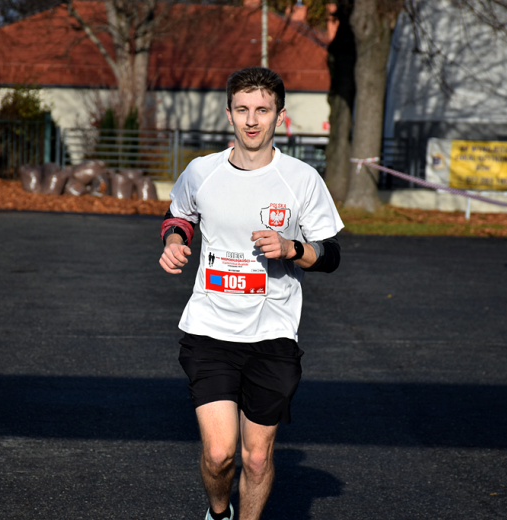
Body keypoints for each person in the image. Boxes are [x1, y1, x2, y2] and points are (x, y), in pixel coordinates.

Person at [159, 67, 343, 520]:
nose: (252, 120)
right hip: (210, 330)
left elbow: (332, 254)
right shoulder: (202, 171)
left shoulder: (300, 179)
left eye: (262, 110)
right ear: (229, 114)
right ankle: (218, 513)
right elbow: (178, 215)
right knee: (221, 454)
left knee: (257, 458)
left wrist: (291, 248)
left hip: (272, 336)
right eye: (242, 110)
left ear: (280, 115)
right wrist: (175, 241)